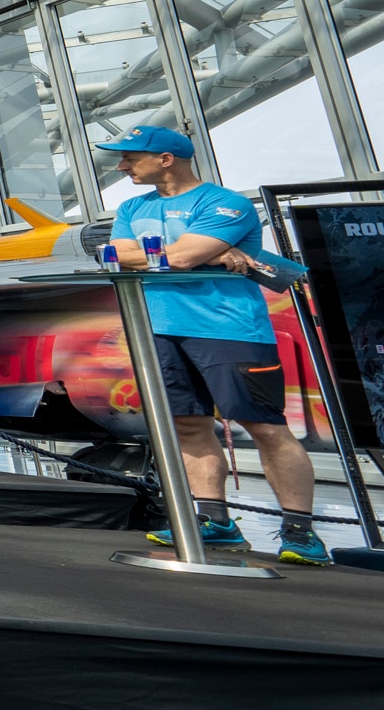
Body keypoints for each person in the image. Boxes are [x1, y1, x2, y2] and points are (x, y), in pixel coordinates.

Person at [96, 124, 325, 564]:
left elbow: (179, 258)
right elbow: (114, 254)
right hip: (157, 331)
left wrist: (186, 252)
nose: (122, 166)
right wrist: (210, 253)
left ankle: (300, 532)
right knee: (185, 425)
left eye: (130, 158)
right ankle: (216, 522)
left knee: (265, 428)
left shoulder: (227, 204)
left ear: (166, 159)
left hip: (229, 331)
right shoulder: (130, 206)